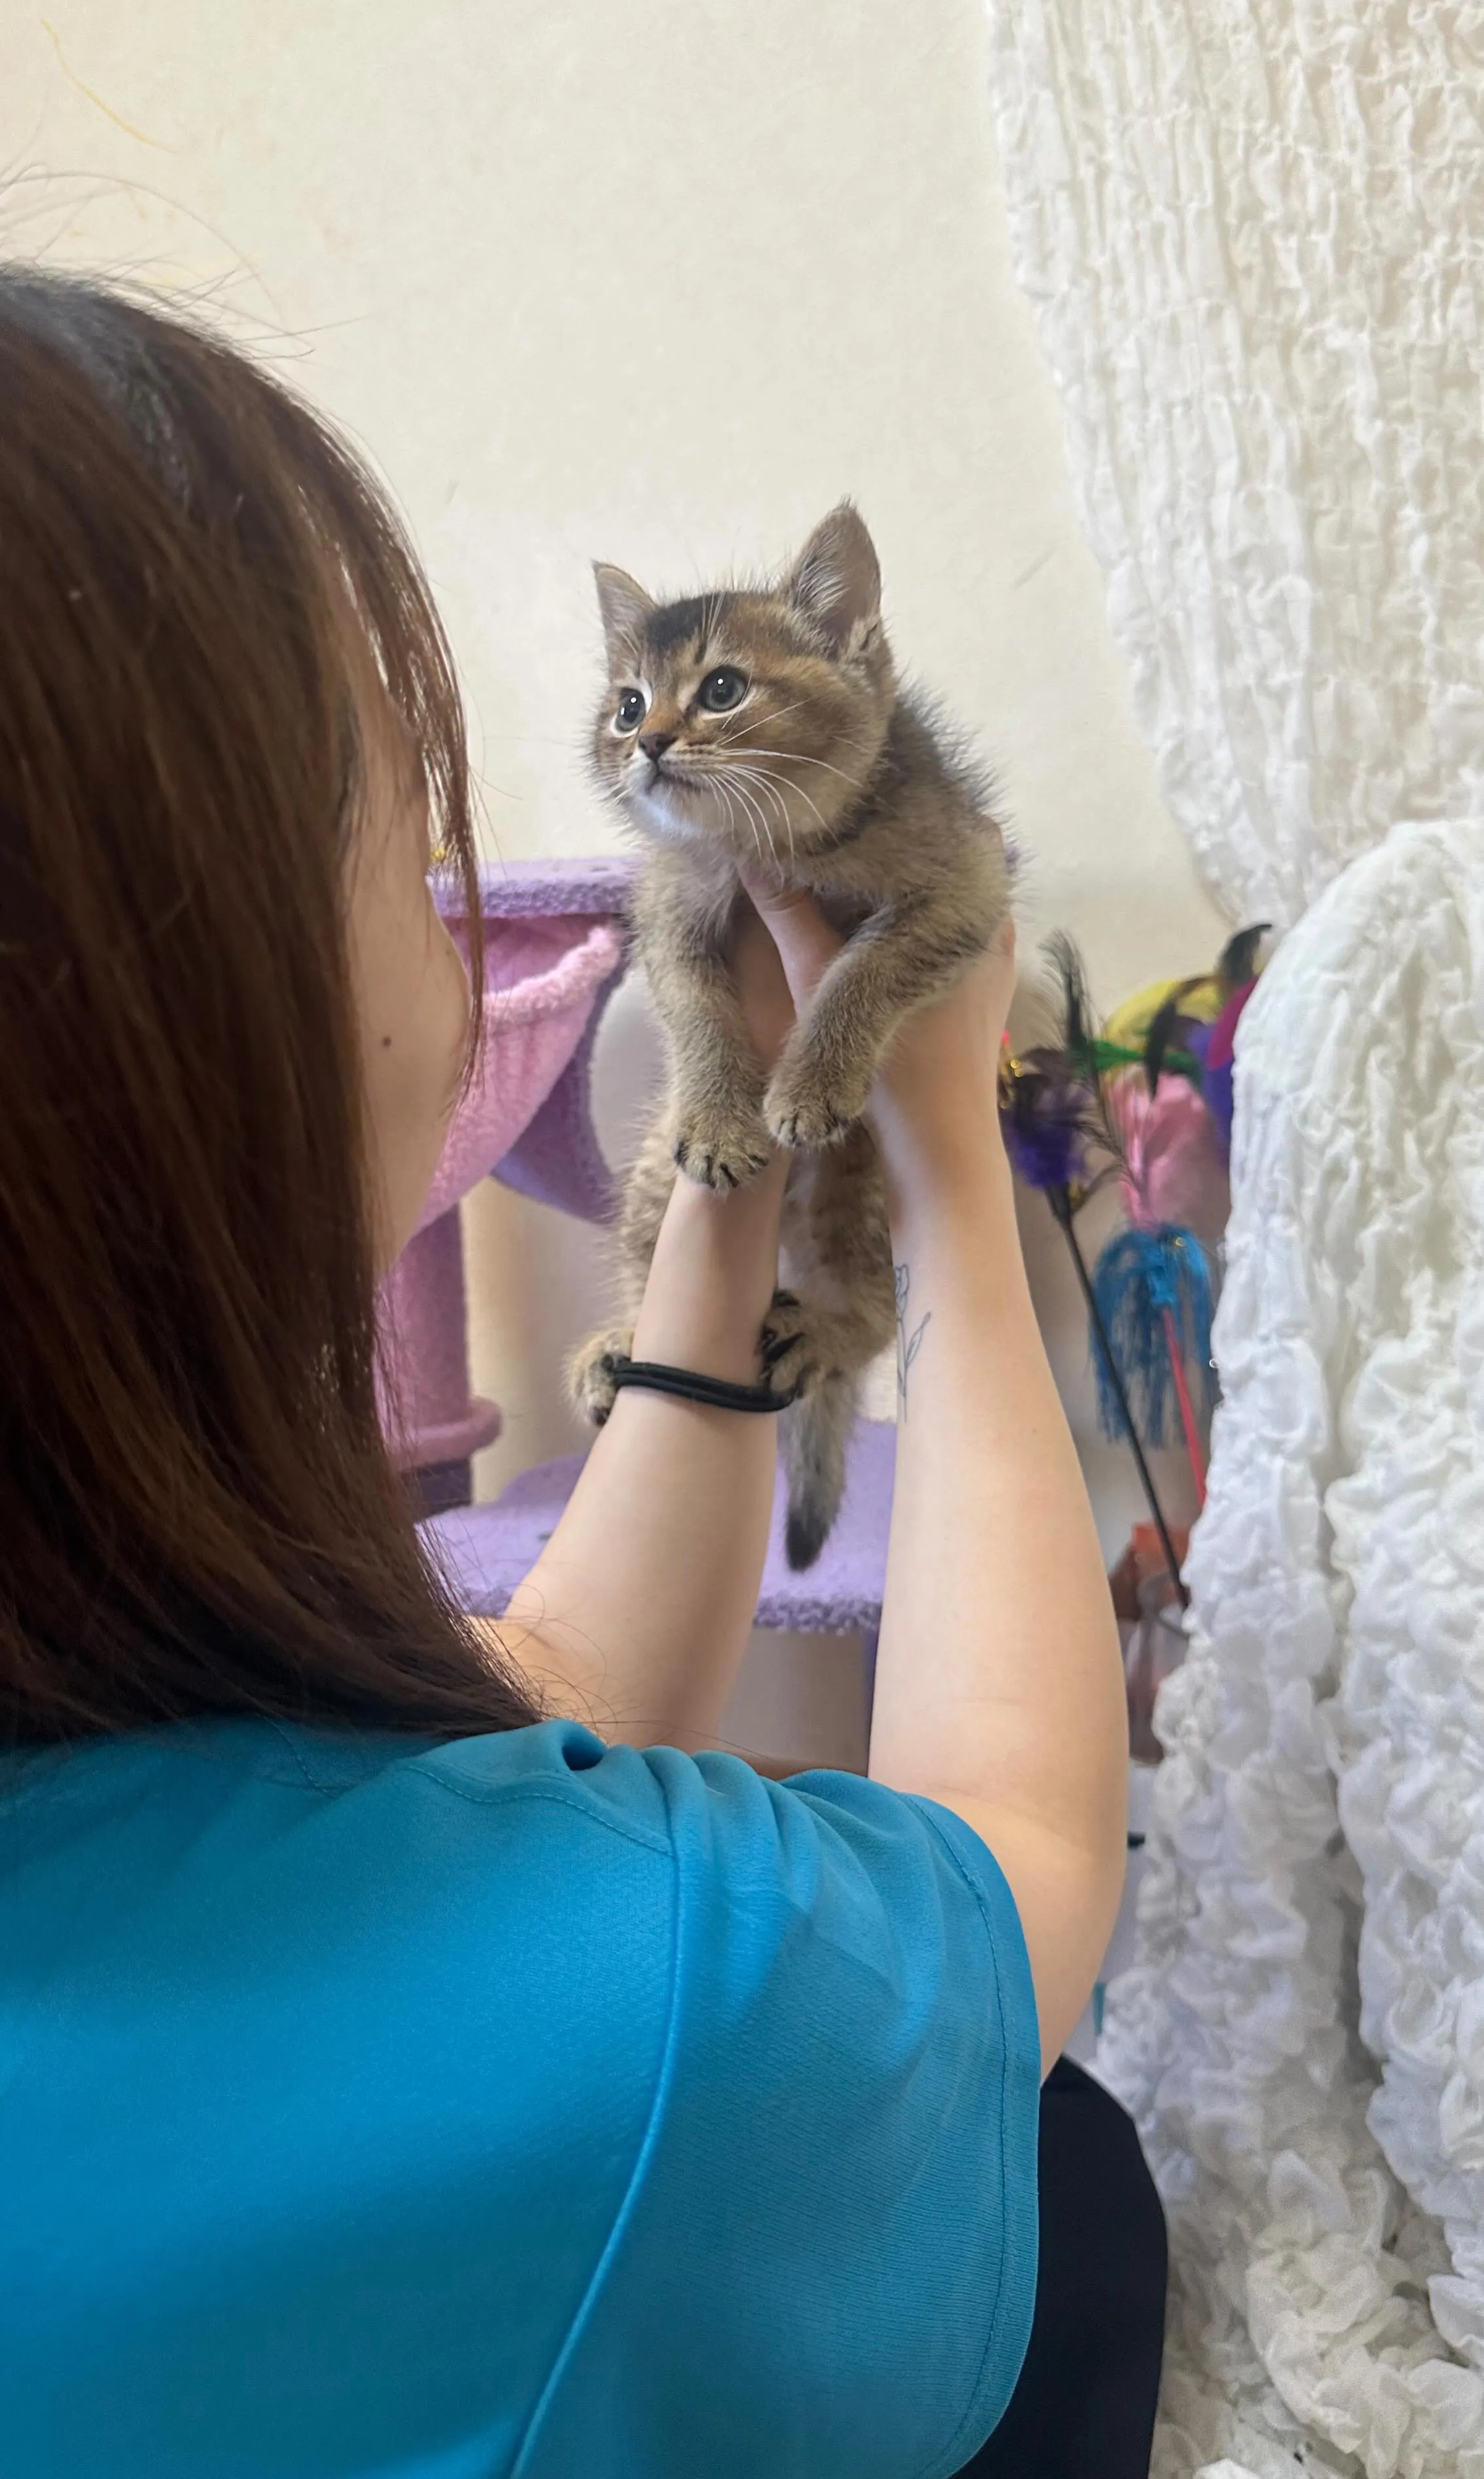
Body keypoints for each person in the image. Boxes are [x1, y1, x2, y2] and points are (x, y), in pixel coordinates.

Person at [0, 268, 1161, 2478]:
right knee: (1075, 2180)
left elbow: (532, 1685)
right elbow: (1012, 1881)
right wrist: (947, 1176)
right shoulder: (654, 2025)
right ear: (176, 1019)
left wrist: (724, 1170)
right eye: (389, 795)